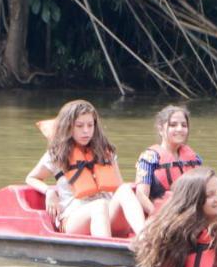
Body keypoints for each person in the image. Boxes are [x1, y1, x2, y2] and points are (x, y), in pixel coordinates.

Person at [23, 99, 146, 238]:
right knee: (99, 206)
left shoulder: (106, 152)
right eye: (79, 126)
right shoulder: (57, 154)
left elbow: (118, 187)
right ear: (68, 127)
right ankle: (106, 251)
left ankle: (144, 238)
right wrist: (49, 191)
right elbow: (31, 178)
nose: (86, 131)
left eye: (90, 125)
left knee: (124, 190)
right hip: (74, 219)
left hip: (109, 215)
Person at [134, 104, 203, 216]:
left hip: (190, 213)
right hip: (162, 215)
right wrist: (158, 216)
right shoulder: (149, 158)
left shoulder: (195, 159)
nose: (180, 129)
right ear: (161, 129)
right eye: (173, 125)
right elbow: (141, 195)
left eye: (184, 125)